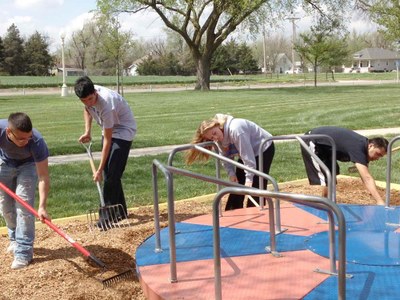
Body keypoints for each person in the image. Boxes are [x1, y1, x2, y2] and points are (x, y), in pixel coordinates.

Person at [74, 76, 137, 227]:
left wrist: (99, 169)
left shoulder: (107, 105)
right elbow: (87, 110)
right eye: (84, 100)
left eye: (90, 99)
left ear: (95, 92)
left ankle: (106, 218)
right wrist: (87, 131)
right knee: (111, 175)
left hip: (123, 130)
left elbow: (108, 141)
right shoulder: (87, 94)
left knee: (111, 175)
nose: (89, 102)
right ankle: (120, 213)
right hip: (108, 129)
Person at [185, 114, 275, 210]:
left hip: (263, 148)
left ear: (218, 126)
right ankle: (233, 209)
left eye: (214, 133)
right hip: (246, 152)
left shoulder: (236, 130)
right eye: (211, 138)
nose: (215, 138)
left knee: (256, 181)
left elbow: (248, 157)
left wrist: (249, 179)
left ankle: (256, 210)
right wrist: (231, 174)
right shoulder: (218, 139)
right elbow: (225, 157)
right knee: (237, 182)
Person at [0, 112, 50, 269]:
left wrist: (42, 206)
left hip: (28, 166)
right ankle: (14, 238)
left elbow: (43, 177)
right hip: (5, 163)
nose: (26, 141)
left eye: (28, 137)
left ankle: (23, 253)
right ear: (9, 132)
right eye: (21, 138)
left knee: (24, 207)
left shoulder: (37, 141)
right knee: (5, 207)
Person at [301, 126, 388, 205]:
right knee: (327, 176)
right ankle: (323, 203)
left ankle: (326, 201)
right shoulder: (358, 148)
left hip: (325, 146)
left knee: (331, 174)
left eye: (381, 156)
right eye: (378, 154)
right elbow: (367, 178)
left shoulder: (362, 144)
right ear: (371, 146)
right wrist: (379, 201)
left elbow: (364, 173)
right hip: (312, 140)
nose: (378, 158)